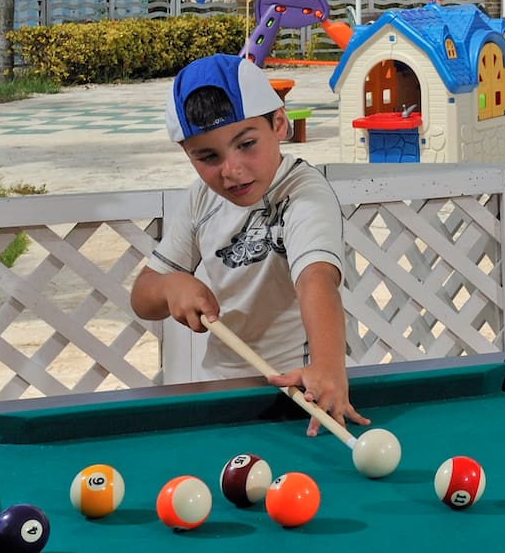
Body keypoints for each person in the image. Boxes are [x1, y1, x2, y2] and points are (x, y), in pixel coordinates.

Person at [129, 54, 367, 438]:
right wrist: (170, 286)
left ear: (279, 124)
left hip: (303, 392)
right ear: (187, 154)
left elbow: (316, 279)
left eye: (247, 144)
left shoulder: (305, 194)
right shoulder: (200, 200)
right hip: (223, 392)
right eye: (208, 157)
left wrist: (327, 367)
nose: (232, 170)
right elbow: (143, 296)